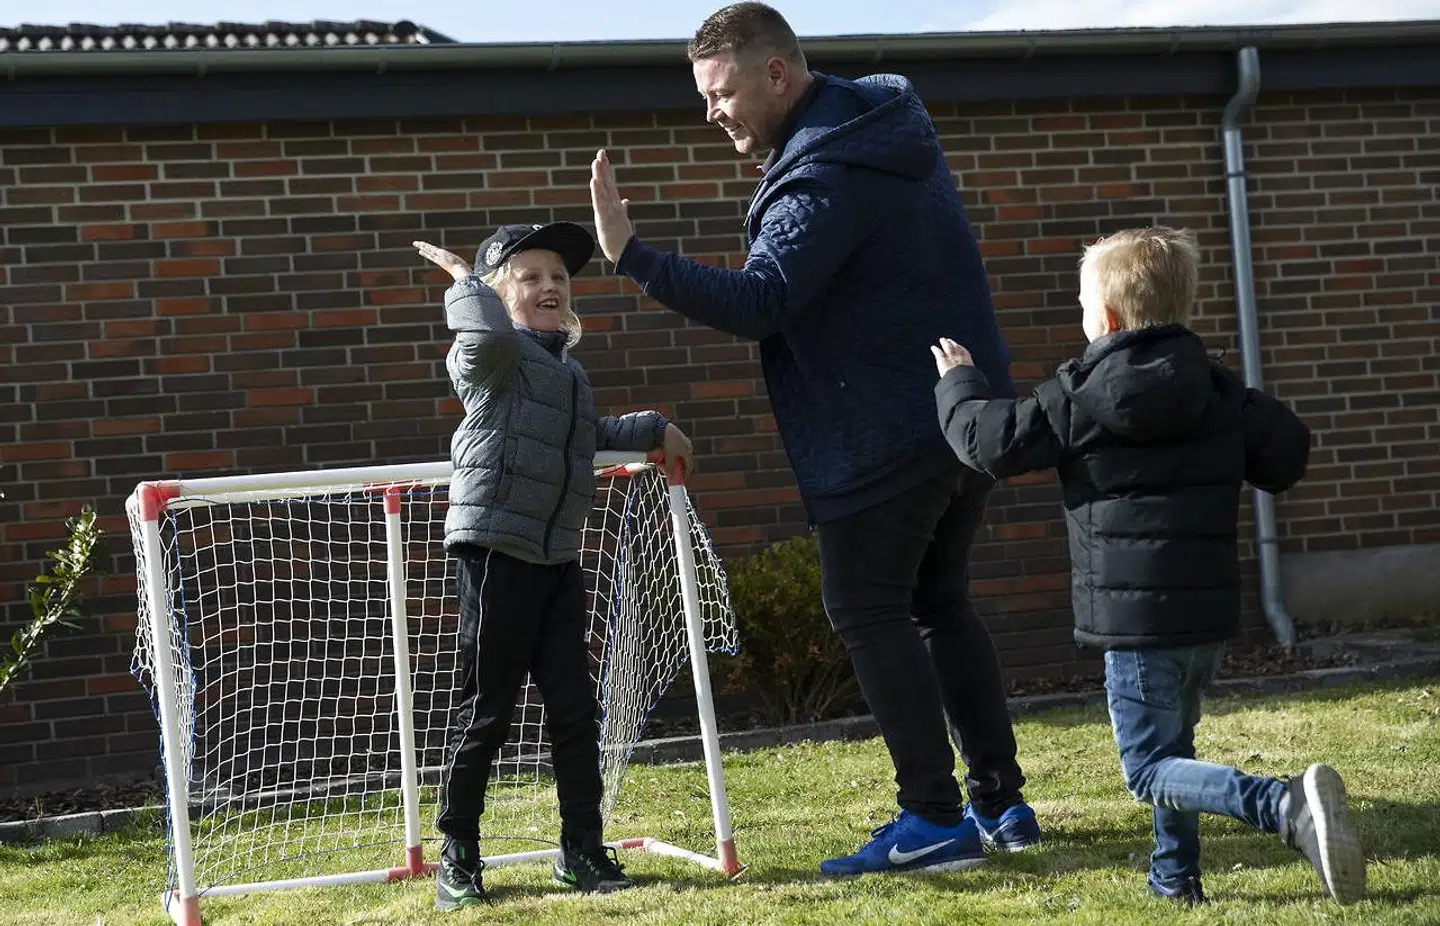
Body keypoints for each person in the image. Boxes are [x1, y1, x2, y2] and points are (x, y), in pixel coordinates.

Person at [588, 1, 1038, 876]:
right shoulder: (877, 126)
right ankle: (1000, 802)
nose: (711, 113)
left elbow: (763, 302)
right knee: (939, 606)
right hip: (958, 413)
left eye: (721, 93)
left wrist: (631, 254)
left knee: (869, 609)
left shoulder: (826, 171)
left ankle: (934, 818)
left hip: (883, 432)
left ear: (777, 75)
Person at [931, 225, 1365, 905]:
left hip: (1134, 623)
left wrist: (958, 383)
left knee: (1150, 767)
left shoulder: (1075, 396)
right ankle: (1173, 876)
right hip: (1206, 615)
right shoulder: (1215, 389)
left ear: (1103, 318)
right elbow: (1288, 455)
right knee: (1176, 745)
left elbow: (987, 443)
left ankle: (1283, 807)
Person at [413, 223, 695, 909]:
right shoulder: (492, 358)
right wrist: (465, 284)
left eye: (559, 278)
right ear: (499, 292)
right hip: (495, 553)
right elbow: (478, 340)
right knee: (488, 711)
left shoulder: (566, 371)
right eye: (530, 276)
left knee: (575, 710)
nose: (550, 287)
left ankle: (582, 850)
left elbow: (590, 436)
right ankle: (459, 856)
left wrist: (657, 427)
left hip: (557, 559)